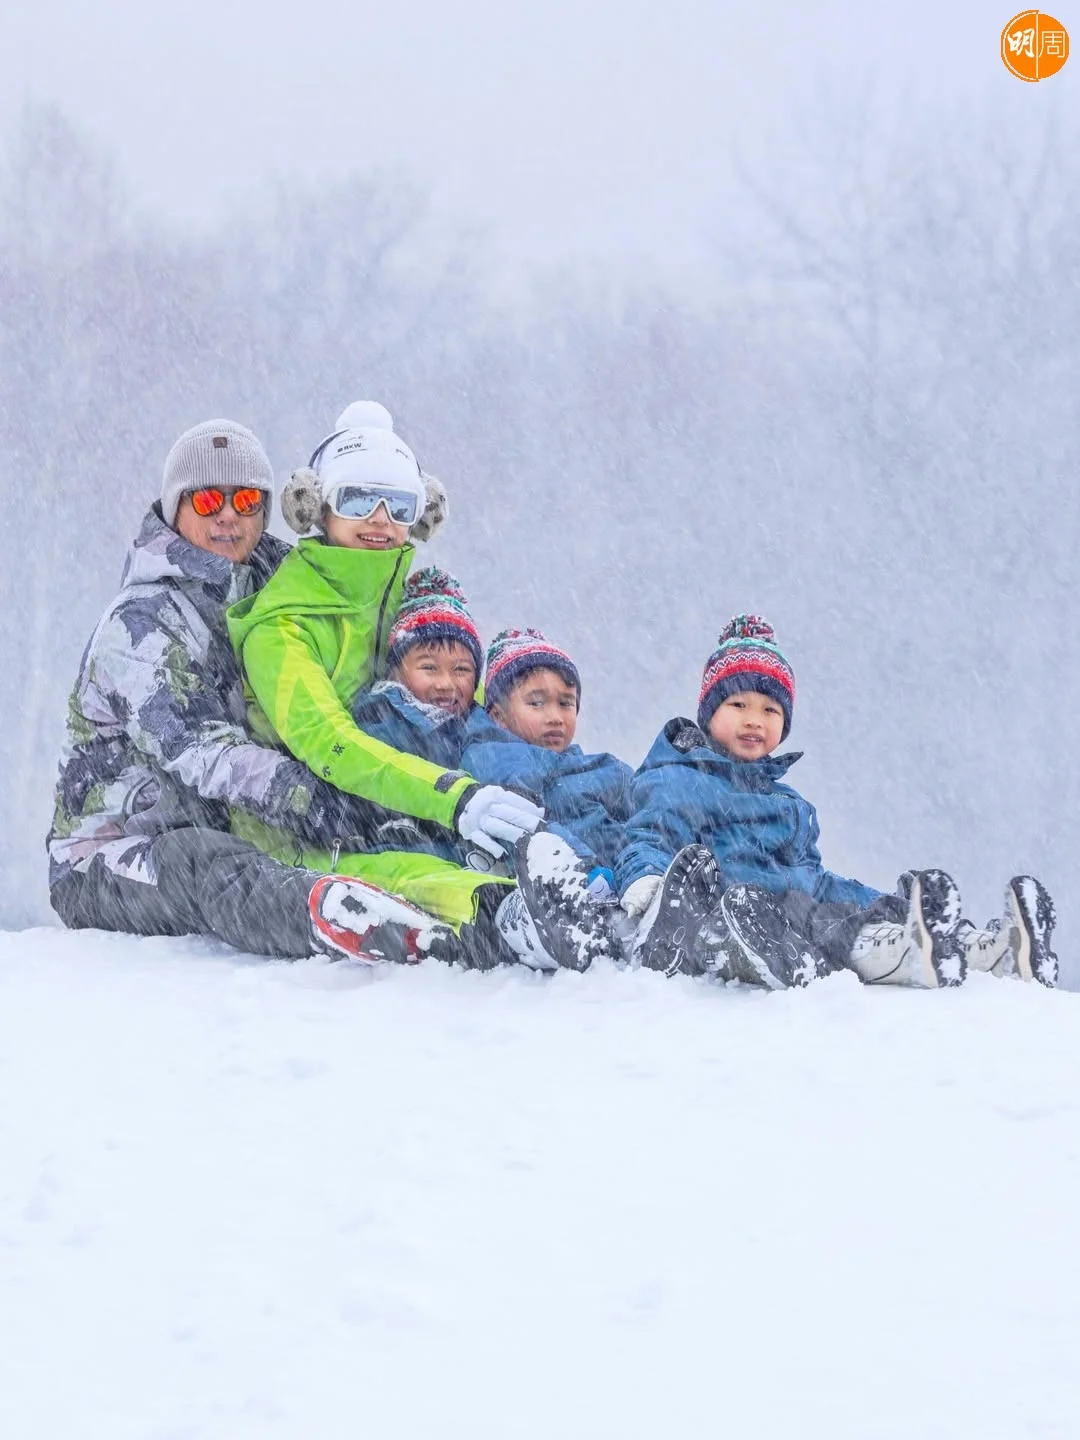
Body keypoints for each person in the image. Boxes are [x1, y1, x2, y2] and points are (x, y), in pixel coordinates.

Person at [47, 418, 465, 965]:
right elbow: (203, 752)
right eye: (206, 501)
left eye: (245, 500)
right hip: (111, 854)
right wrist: (317, 799)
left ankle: (452, 898)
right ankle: (330, 916)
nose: (227, 516)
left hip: (236, 821)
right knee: (199, 863)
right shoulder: (140, 624)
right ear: (175, 508)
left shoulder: (280, 589)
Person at [226, 403, 613, 973]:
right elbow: (328, 743)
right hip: (308, 829)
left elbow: (450, 703)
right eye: (358, 499)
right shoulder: (280, 628)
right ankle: (520, 919)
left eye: (399, 504)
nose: (380, 519)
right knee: (430, 879)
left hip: (401, 810)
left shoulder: (393, 602)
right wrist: (456, 798)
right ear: (316, 507)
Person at [615, 615, 1058, 990]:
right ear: (709, 714)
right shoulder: (679, 779)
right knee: (821, 924)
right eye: (738, 704)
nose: (755, 719)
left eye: (771, 711)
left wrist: (885, 901)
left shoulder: (789, 805)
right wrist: (646, 882)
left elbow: (817, 880)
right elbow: (649, 834)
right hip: (734, 914)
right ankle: (904, 950)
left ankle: (981, 949)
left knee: (843, 910)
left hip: (796, 910)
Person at [462, 627, 633, 894]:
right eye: (537, 703)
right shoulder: (498, 759)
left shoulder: (598, 766)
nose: (555, 716)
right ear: (498, 716)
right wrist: (584, 871)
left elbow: (648, 809)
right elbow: (527, 828)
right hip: (573, 888)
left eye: (566, 704)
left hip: (629, 879)